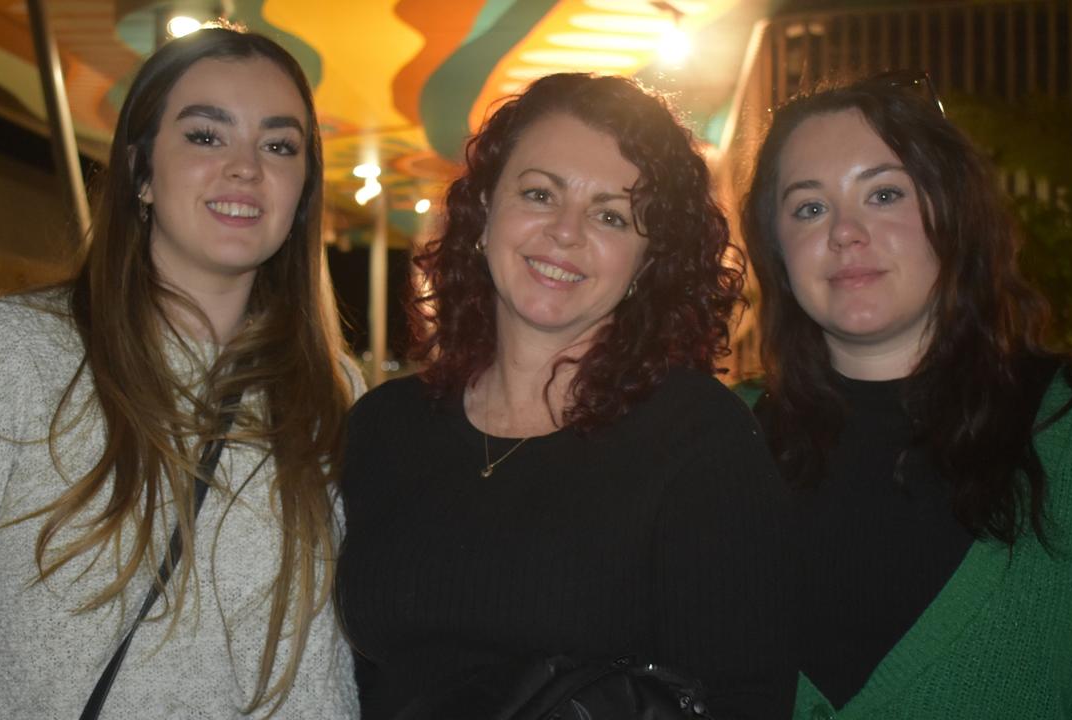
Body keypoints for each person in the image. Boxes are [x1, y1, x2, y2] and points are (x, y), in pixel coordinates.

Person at [0, 27, 361, 718]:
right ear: (140, 172)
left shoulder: (332, 393)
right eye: (206, 136)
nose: (246, 168)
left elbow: (330, 673)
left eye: (278, 145)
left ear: (302, 192)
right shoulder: (9, 357)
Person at [335, 73, 793, 720]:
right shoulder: (384, 427)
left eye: (610, 214)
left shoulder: (697, 441)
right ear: (484, 212)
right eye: (539, 194)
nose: (566, 232)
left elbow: (743, 700)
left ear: (647, 263)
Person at [739, 73, 1072, 719]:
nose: (845, 233)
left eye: (884, 193)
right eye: (809, 207)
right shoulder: (712, 436)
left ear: (954, 214)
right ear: (777, 251)